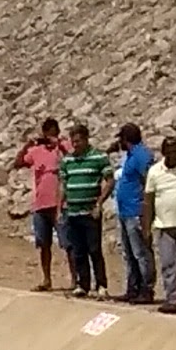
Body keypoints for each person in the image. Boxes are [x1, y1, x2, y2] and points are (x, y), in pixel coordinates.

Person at [58, 120, 111, 295]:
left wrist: (99, 203)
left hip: (90, 211)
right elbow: (63, 185)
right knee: (78, 250)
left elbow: (110, 181)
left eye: (78, 141)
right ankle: (83, 284)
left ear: (86, 139)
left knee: (94, 249)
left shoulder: (98, 157)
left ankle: (101, 285)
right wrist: (60, 207)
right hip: (73, 212)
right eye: (73, 141)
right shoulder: (67, 160)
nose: (75, 145)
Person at [146, 129, 176, 309]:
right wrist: (146, 227)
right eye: (169, 151)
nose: (172, 155)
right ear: (163, 152)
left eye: (175, 151)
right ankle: (173, 298)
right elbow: (149, 200)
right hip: (163, 224)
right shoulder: (154, 172)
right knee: (168, 262)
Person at [17, 116, 66, 286]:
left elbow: (73, 152)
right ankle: (46, 279)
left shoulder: (61, 149)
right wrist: (28, 145)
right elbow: (18, 162)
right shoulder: (37, 151)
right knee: (43, 244)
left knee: (68, 244)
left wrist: (58, 143)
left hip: (59, 204)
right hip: (40, 204)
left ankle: (76, 280)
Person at [112, 122, 155, 302]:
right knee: (129, 254)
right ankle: (133, 287)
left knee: (141, 252)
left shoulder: (141, 156)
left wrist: (146, 209)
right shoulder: (130, 155)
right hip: (125, 211)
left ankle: (146, 288)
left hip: (136, 210)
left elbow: (148, 181)